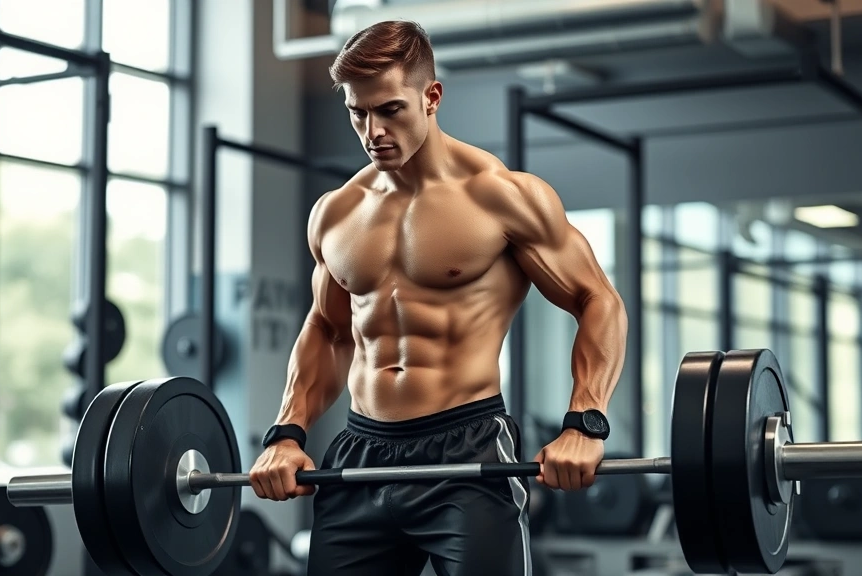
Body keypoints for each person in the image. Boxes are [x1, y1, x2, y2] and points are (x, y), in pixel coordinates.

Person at [249, 20, 627, 576]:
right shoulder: (336, 213)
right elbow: (329, 332)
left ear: (431, 97)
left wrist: (585, 422)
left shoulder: (502, 197)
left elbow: (598, 301)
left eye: (390, 109)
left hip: (467, 449)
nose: (373, 129)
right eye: (358, 113)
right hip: (362, 452)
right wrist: (287, 432)